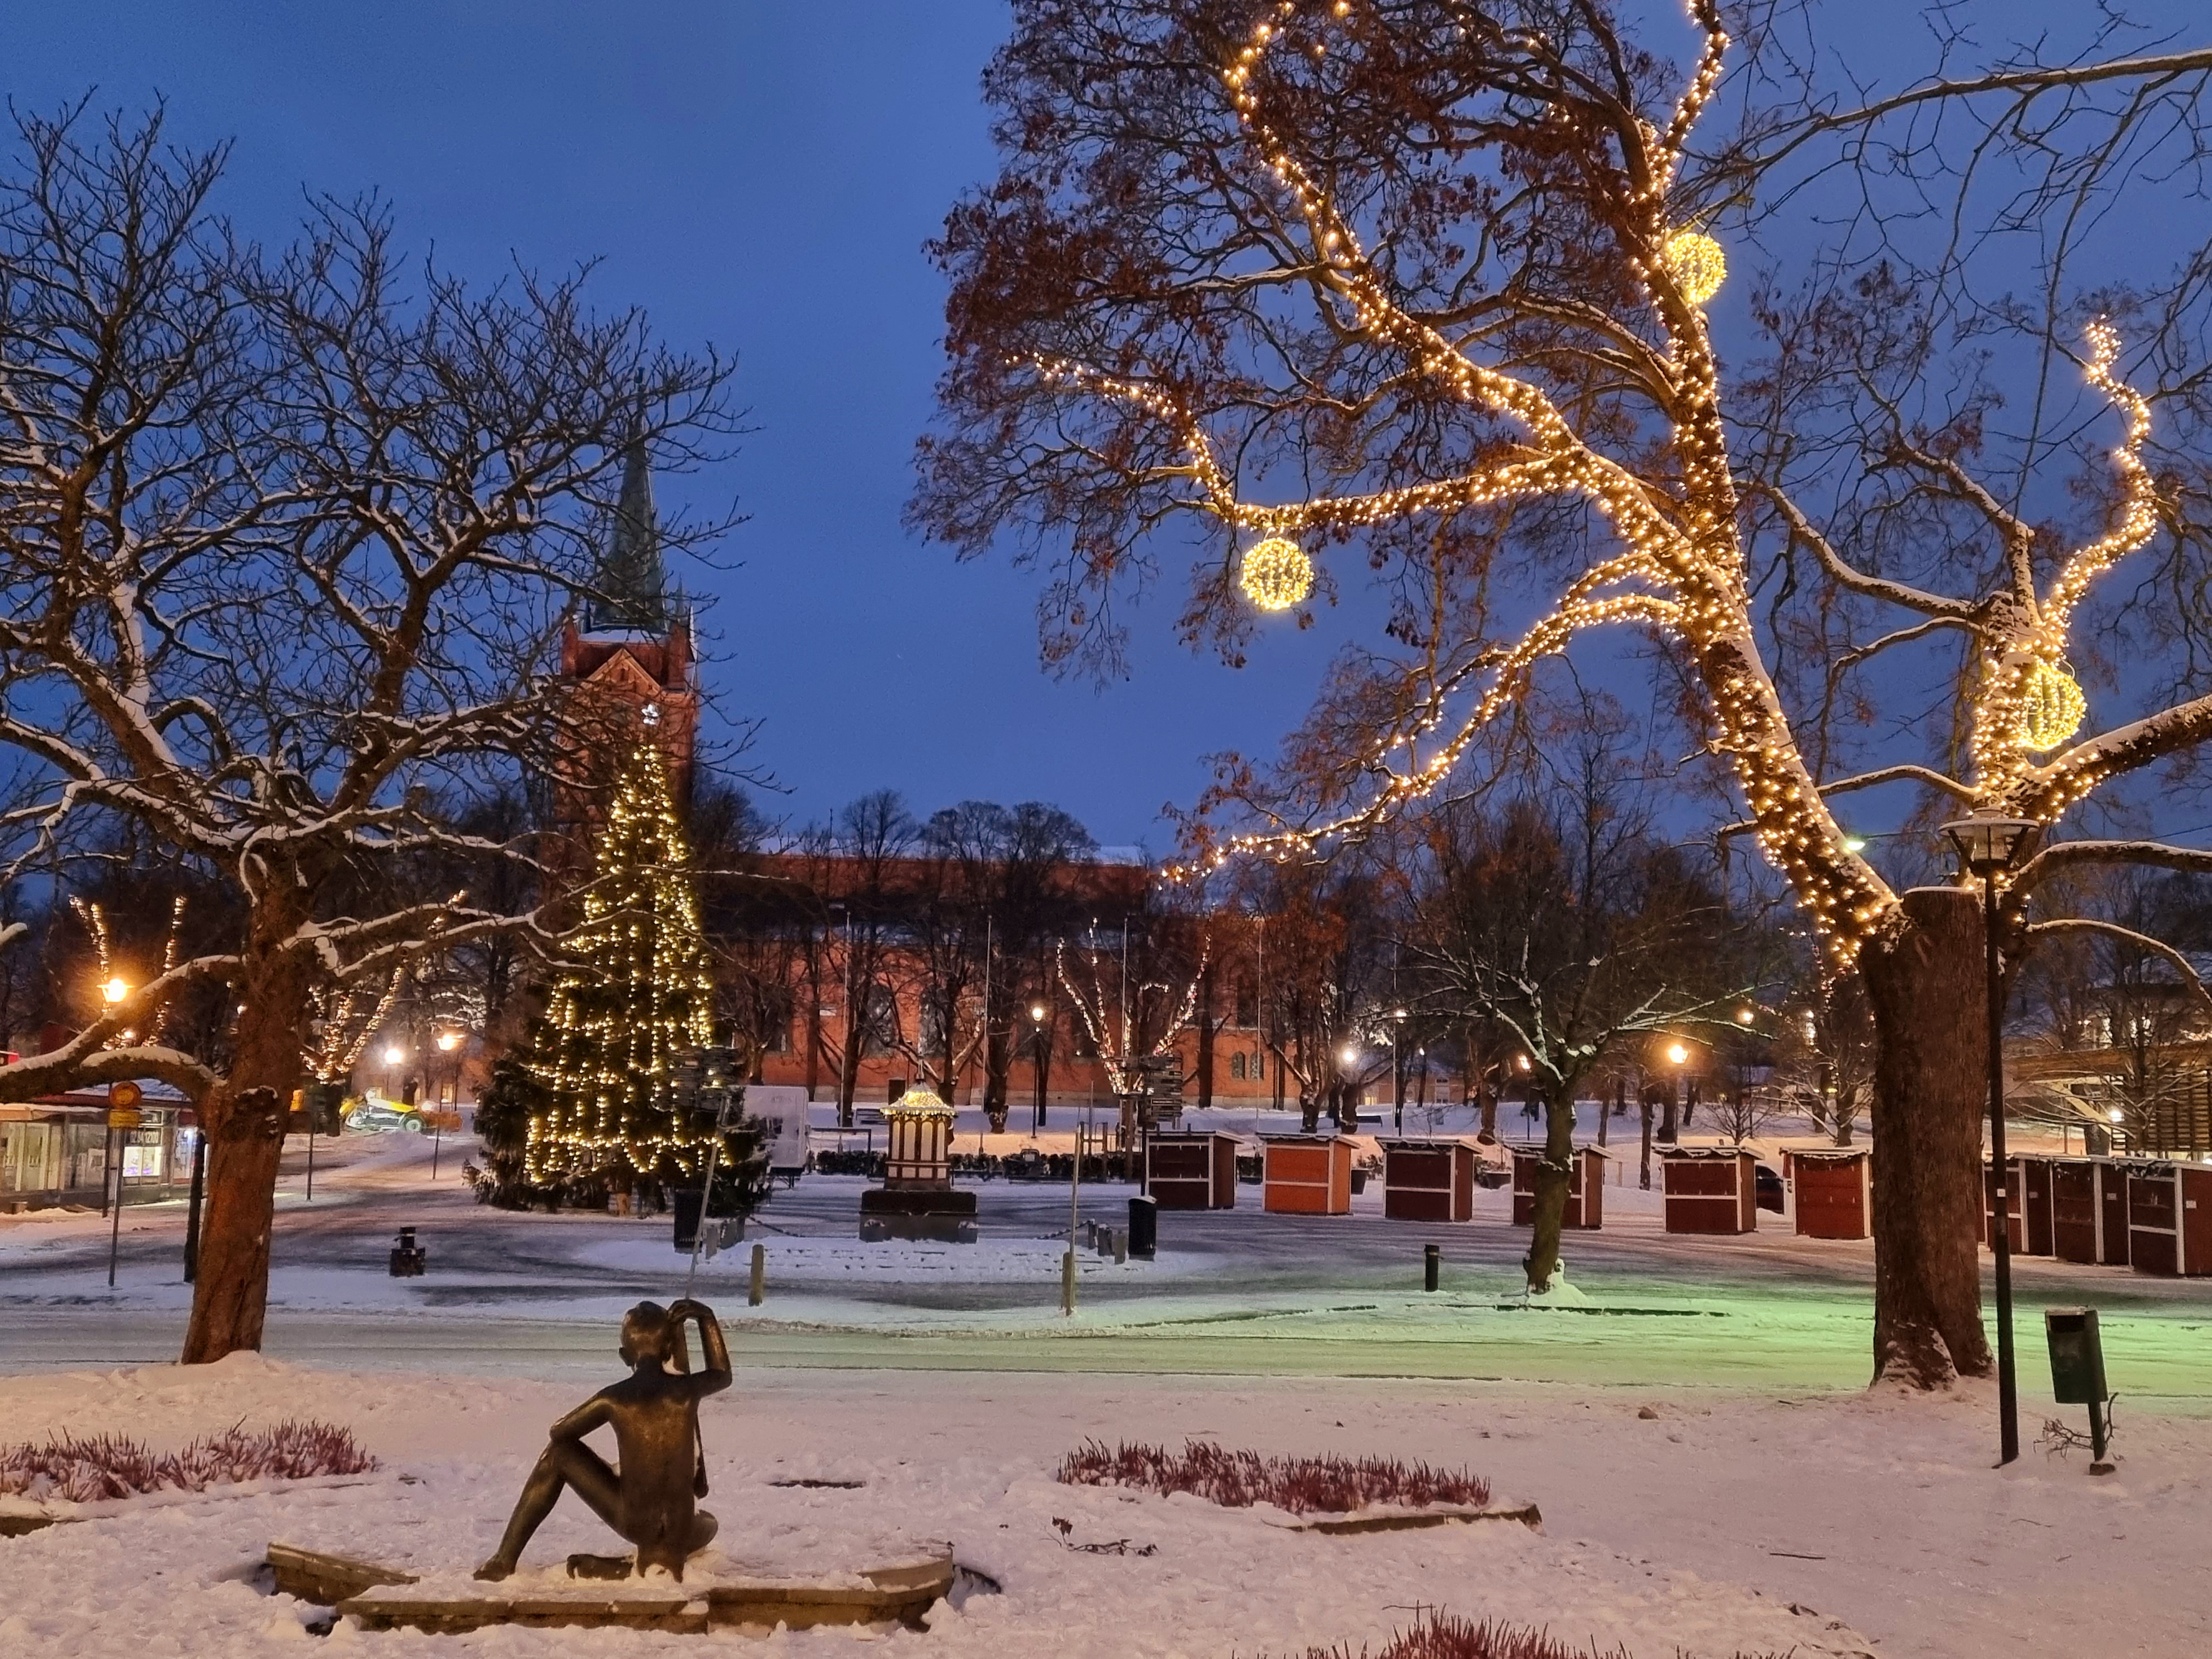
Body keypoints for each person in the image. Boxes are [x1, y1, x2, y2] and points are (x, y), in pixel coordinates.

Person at [475, 1297, 730, 1582]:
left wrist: (620, 1462)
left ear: (624, 1356)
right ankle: (652, 1562)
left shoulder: (614, 1398)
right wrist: (706, 1317)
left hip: (636, 1524)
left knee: (558, 1454)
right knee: (709, 1523)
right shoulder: (686, 1390)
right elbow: (722, 1374)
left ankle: (504, 1560)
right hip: (683, 1531)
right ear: (669, 1349)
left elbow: (560, 1433)